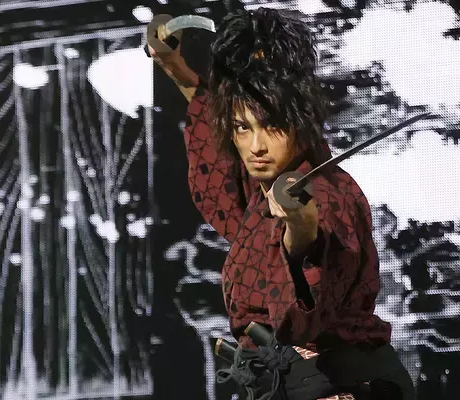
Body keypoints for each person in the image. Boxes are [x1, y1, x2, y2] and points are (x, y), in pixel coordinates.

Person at [148, 8, 415, 399]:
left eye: (272, 125)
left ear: (298, 121)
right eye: (243, 128)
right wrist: (173, 66)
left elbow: (302, 313)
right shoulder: (259, 187)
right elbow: (214, 120)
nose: (256, 146)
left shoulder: (328, 197)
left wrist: (300, 230)